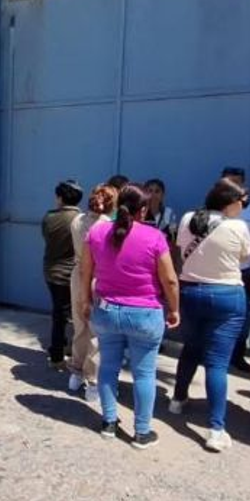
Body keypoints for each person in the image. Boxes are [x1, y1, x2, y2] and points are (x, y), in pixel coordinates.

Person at [78, 185, 181, 449]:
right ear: (143, 209)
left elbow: (85, 272)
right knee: (144, 374)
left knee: (108, 367)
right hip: (145, 314)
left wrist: (85, 301)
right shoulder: (155, 236)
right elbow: (169, 279)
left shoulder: (97, 232)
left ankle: (109, 423)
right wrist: (174, 308)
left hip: (107, 311)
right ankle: (142, 433)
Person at [170, 178, 250, 452]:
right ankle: (216, 429)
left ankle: (177, 400)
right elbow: (245, 257)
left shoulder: (188, 219)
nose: (243, 205)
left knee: (190, 348)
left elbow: (182, 249)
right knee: (217, 363)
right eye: (241, 200)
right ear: (229, 202)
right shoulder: (238, 226)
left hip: (191, 291)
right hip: (228, 294)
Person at [68, 184, 117, 402]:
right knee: (97, 331)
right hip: (100, 277)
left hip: (78, 275)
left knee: (79, 326)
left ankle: (75, 373)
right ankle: (92, 380)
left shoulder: (77, 221)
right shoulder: (110, 227)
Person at [222, 166, 250, 373]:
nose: (233, 186)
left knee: (242, 315)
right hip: (217, 271)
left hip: (242, 271)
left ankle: (238, 355)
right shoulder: (213, 208)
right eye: (229, 181)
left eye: (237, 182)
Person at [42, 180, 84, 370]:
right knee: (75, 316)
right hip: (72, 273)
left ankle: (57, 352)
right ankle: (64, 353)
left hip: (51, 271)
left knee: (59, 313)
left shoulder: (49, 217)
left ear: (60, 197)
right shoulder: (81, 220)